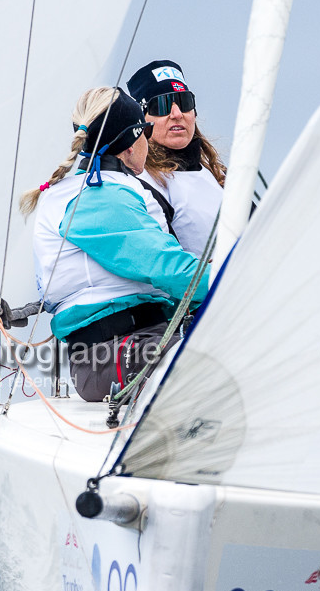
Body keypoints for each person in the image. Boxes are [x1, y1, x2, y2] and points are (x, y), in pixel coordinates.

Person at [19, 87, 208, 402]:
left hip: (133, 343)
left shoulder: (90, 190)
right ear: (133, 143)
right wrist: (238, 282)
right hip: (113, 355)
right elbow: (168, 268)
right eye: (145, 132)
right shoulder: (97, 198)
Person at [124, 60, 226, 256]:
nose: (177, 114)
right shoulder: (141, 184)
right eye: (161, 106)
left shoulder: (220, 177)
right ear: (142, 119)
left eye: (185, 102)